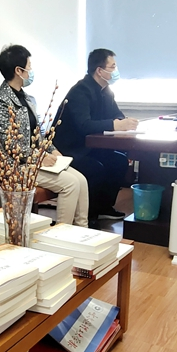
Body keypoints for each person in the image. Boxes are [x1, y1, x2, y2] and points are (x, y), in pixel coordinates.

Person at [0, 45, 89, 227]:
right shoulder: (0, 102)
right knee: (70, 184)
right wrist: (39, 158)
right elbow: (10, 145)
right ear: (18, 71)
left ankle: (81, 230)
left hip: (33, 161)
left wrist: (52, 150)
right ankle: (61, 235)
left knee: (81, 180)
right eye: (29, 67)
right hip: (13, 166)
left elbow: (37, 134)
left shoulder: (27, 99)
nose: (31, 71)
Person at [52, 48, 138, 222]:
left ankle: (104, 207)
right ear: (99, 70)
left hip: (91, 147)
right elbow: (84, 125)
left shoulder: (106, 91)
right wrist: (115, 125)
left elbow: (117, 115)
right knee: (95, 169)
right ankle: (89, 215)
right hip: (69, 149)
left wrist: (125, 122)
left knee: (119, 161)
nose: (115, 71)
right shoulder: (80, 91)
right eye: (112, 67)